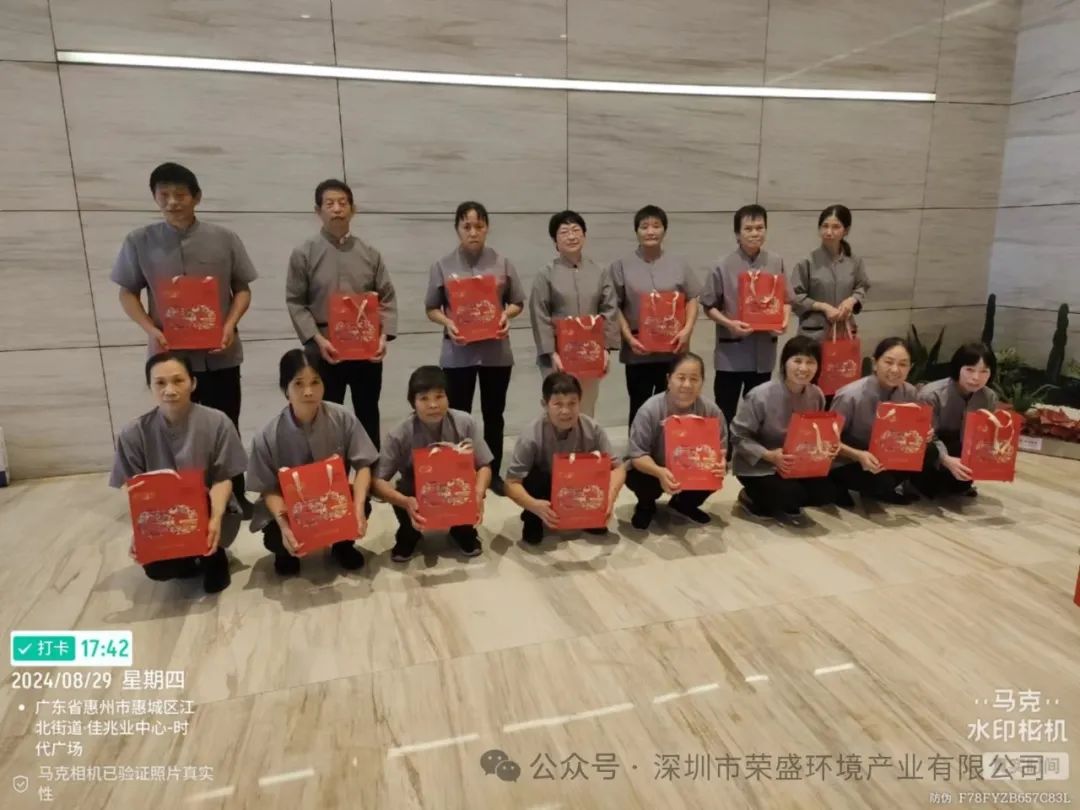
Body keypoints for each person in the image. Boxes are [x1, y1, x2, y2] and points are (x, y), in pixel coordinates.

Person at [110, 162, 258, 517]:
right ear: (155, 197)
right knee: (174, 432)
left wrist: (230, 324)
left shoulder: (224, 239)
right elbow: (127, 292)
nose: (172, 202)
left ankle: (234, 496)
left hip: (220, 354)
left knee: (226, 425)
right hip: (169, 358)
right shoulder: (139, 241)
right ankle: (183, 499)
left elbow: (242, 289)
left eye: (180, 194)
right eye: (164, 195)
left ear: (197, 197)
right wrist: (151, 329)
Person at [109, 352, 247, 594]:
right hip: (162, 514)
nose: (170, 390)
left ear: (193, 383)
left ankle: (214, 556)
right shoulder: (133, 432)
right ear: (150, 386)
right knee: (159, 570)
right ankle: (188, 559)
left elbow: (223, 477)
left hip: (210, 506)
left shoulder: (218, 422)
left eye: (178, 380)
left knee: (214, 577)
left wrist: (215, 518)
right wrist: (141, 531)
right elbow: (131, 486)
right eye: (160, 383)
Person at [285, 178, 397, 449]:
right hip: (325, 349)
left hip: (366, 349)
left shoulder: (370, 253)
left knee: (368, 412)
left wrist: (383, 337)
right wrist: (318, 340)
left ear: (352, 209)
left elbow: (387, 297)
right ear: (318, 211)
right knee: (326, 416)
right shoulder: (304, 253)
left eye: (342, 203)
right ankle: (331, 471)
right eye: (330, 203)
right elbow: (295, 301)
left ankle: (370, 471)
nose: (337, 209)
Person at [245, 348, 376, 577]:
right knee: (274, 535)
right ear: (285, 389)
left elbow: (364, 463)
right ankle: (285, 552)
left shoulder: (343, 417)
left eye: (315, 382)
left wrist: (357, 507)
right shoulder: (267, 434)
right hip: (291, 508)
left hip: (332, 501)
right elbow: (267, 488)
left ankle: (342, 545)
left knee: (362, 503)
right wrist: (284, 526)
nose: (308, 391)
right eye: (298, 384)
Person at [424, 202, 525, 495]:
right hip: (458, 354)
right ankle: (460, 471)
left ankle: (492, 473)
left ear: (487, 228)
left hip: (496, 352)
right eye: (466, 226)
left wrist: (506, 315)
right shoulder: (442, 265)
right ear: (457, 229)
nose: (473, 232)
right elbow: (431, 308)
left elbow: (518, 301)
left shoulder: (503, 263)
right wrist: (447, 322)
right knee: (457, 416)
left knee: (494, 415)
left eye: (479, 226)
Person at [372, 366, 493, 562]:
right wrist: (405, 502)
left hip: (456, 485)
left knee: (470, 483)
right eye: (424, 399)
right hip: (416, 490)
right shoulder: (398, 434)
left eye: (439, 396)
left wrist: (478, 494)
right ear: (413, 403)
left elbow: (484, 465)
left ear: (448, 397)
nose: (433, 405)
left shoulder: (465, 422)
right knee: (403, 489)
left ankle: (463, 530)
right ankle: (409, 533)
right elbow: (378, 481)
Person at [504, 373, 626, 545]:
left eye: (572, 403)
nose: (566, 411)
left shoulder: (593, 429)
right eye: (558, 404)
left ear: (580, 402)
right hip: (545, 486)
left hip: (581, 486)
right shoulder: (530, 436)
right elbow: (511, 483)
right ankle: (533, 518)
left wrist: (610, 497)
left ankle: (588, 515)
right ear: (545, 404)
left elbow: (618, 467)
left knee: (601, 470)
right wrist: (533, 505)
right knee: (534, 479)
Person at [732, 335, 841, 522]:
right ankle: (749, 496)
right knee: (789, 497)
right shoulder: (760, 395)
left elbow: (818, 434)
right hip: (760, 464)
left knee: (828, 493)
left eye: (810, 362)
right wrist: (769, 455)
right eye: (797, 361)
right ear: (784, 363)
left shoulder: (816, 395)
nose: (803, 368)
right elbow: (738, 436)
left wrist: (828, 446)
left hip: (797, 464)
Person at [701, 204, 791, 430]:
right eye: (748, 229)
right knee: (726, 409)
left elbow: (786, 300)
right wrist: (729, 323)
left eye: (760, 228)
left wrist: (783, 321)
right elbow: (709, 306)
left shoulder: (776, 261)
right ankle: (725, 449)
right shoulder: (722, 264)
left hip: (764, 351)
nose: (754, 233)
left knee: (758, 411)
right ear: (737, 233)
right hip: (731, 352)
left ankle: (752, 448)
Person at [611, 205, 702, 427]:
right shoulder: (620, 266)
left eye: (656, 226)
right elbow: (614, 306)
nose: (650, 231)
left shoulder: (679, 264)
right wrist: (628, 338)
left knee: (672, 405)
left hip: (673, 349)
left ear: (664, 230)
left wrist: (687, 330)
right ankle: (638, 447)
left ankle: (668, 446)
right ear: (636, 231)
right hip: (638, 349)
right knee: (639, 405)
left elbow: (692, 298)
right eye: (644, 227)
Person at [528, 210, 620, 417]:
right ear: (555, 241)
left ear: (584, 236)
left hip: (590, 355)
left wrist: (605, 350)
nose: (571, 236)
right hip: (558, 358)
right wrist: (552, 354)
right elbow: (540, 315)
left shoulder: (599, 272)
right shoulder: (545, 274)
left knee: (586, 409)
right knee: (560, 410)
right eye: (564, 232)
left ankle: (584, 440)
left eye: (576, 230)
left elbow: (609, 309)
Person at [626, 353, 727, 529]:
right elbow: (637, 454)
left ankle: (683, 504)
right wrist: (659, 472)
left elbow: (721, 447)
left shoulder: (711, 411)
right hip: (656, 468)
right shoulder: (650, 409)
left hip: (692, 466)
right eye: (681, 378)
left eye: (694, 379)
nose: (687, 385)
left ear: (702, 382)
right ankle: (646, 505)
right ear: (668, 379)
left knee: (713, 473)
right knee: (636, 476)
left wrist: (721, 463)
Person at [829, 337, 920, 504]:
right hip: (849, 459)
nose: (895, 370)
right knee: (880, 481)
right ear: (875, 363)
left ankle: (883, 488)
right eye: (888, 362)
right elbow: (829, 440)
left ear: (910, 368)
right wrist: (857, 455)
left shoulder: (910, 392)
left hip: (886, 457)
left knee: (929, 452)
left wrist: (922, 434)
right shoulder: (850, 395)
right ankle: (838, 484)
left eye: (903, 364)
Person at [913, 342, 998, 498]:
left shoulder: (989, 397)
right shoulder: (931, 395)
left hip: (962, 448)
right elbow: (925, 437)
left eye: (984, 371)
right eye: (969, 370)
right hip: (932, 450)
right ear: (958, 368)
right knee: (930, 488)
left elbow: (983, 437)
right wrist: (946, 460)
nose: (976, 378)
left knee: (957, 488)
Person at [791, 204, 870, 339]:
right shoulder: (807, 261)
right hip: (813, 333)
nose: (829, 232)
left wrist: (852, 300)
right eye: (825, 226)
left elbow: (862, 286)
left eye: (835, 227)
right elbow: (794, 296)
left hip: (844, 331)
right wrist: (822, 307)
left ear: (846, 230)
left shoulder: (855, 261)